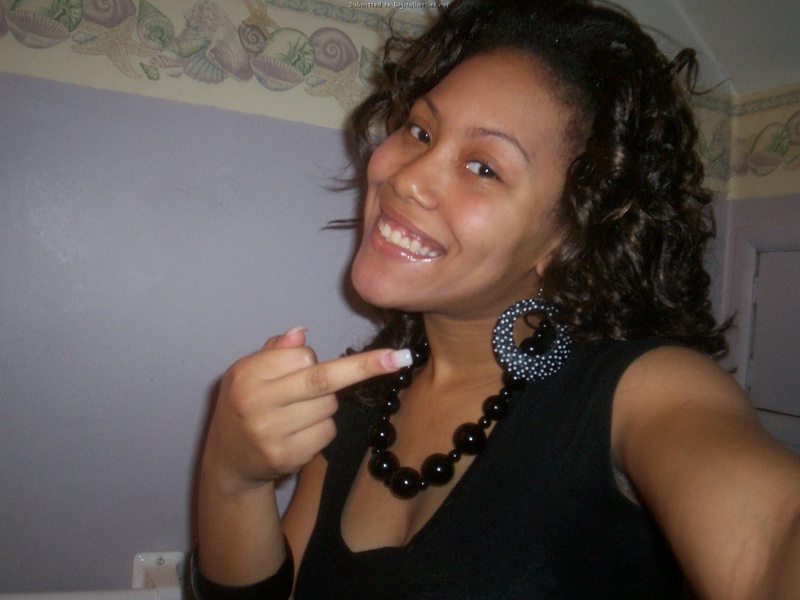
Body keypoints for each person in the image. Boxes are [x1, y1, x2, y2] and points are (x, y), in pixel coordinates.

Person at [191, 0, 800, 597]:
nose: (407, 178)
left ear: (569, 237)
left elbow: (772, 539)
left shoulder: (641, 392)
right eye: (420, 130)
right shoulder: (358, 400)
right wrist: (232, 477)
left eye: (484, 167)